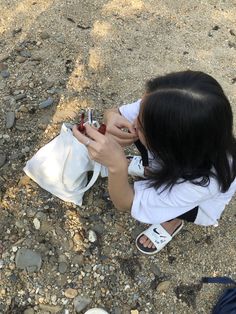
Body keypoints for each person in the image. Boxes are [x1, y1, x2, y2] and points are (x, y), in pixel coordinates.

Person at [72, 70, 236, 255]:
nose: (133, 123)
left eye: (141, 127)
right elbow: (116, 113)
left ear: (170, 145)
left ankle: (172, 220)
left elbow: (125, 203)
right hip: (172, 163)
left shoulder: (202, 184)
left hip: (195, 202)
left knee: (174, 206)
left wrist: (117, 166)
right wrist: (110, 117)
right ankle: (151, 169)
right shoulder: (164, 107)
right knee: (151, 165)